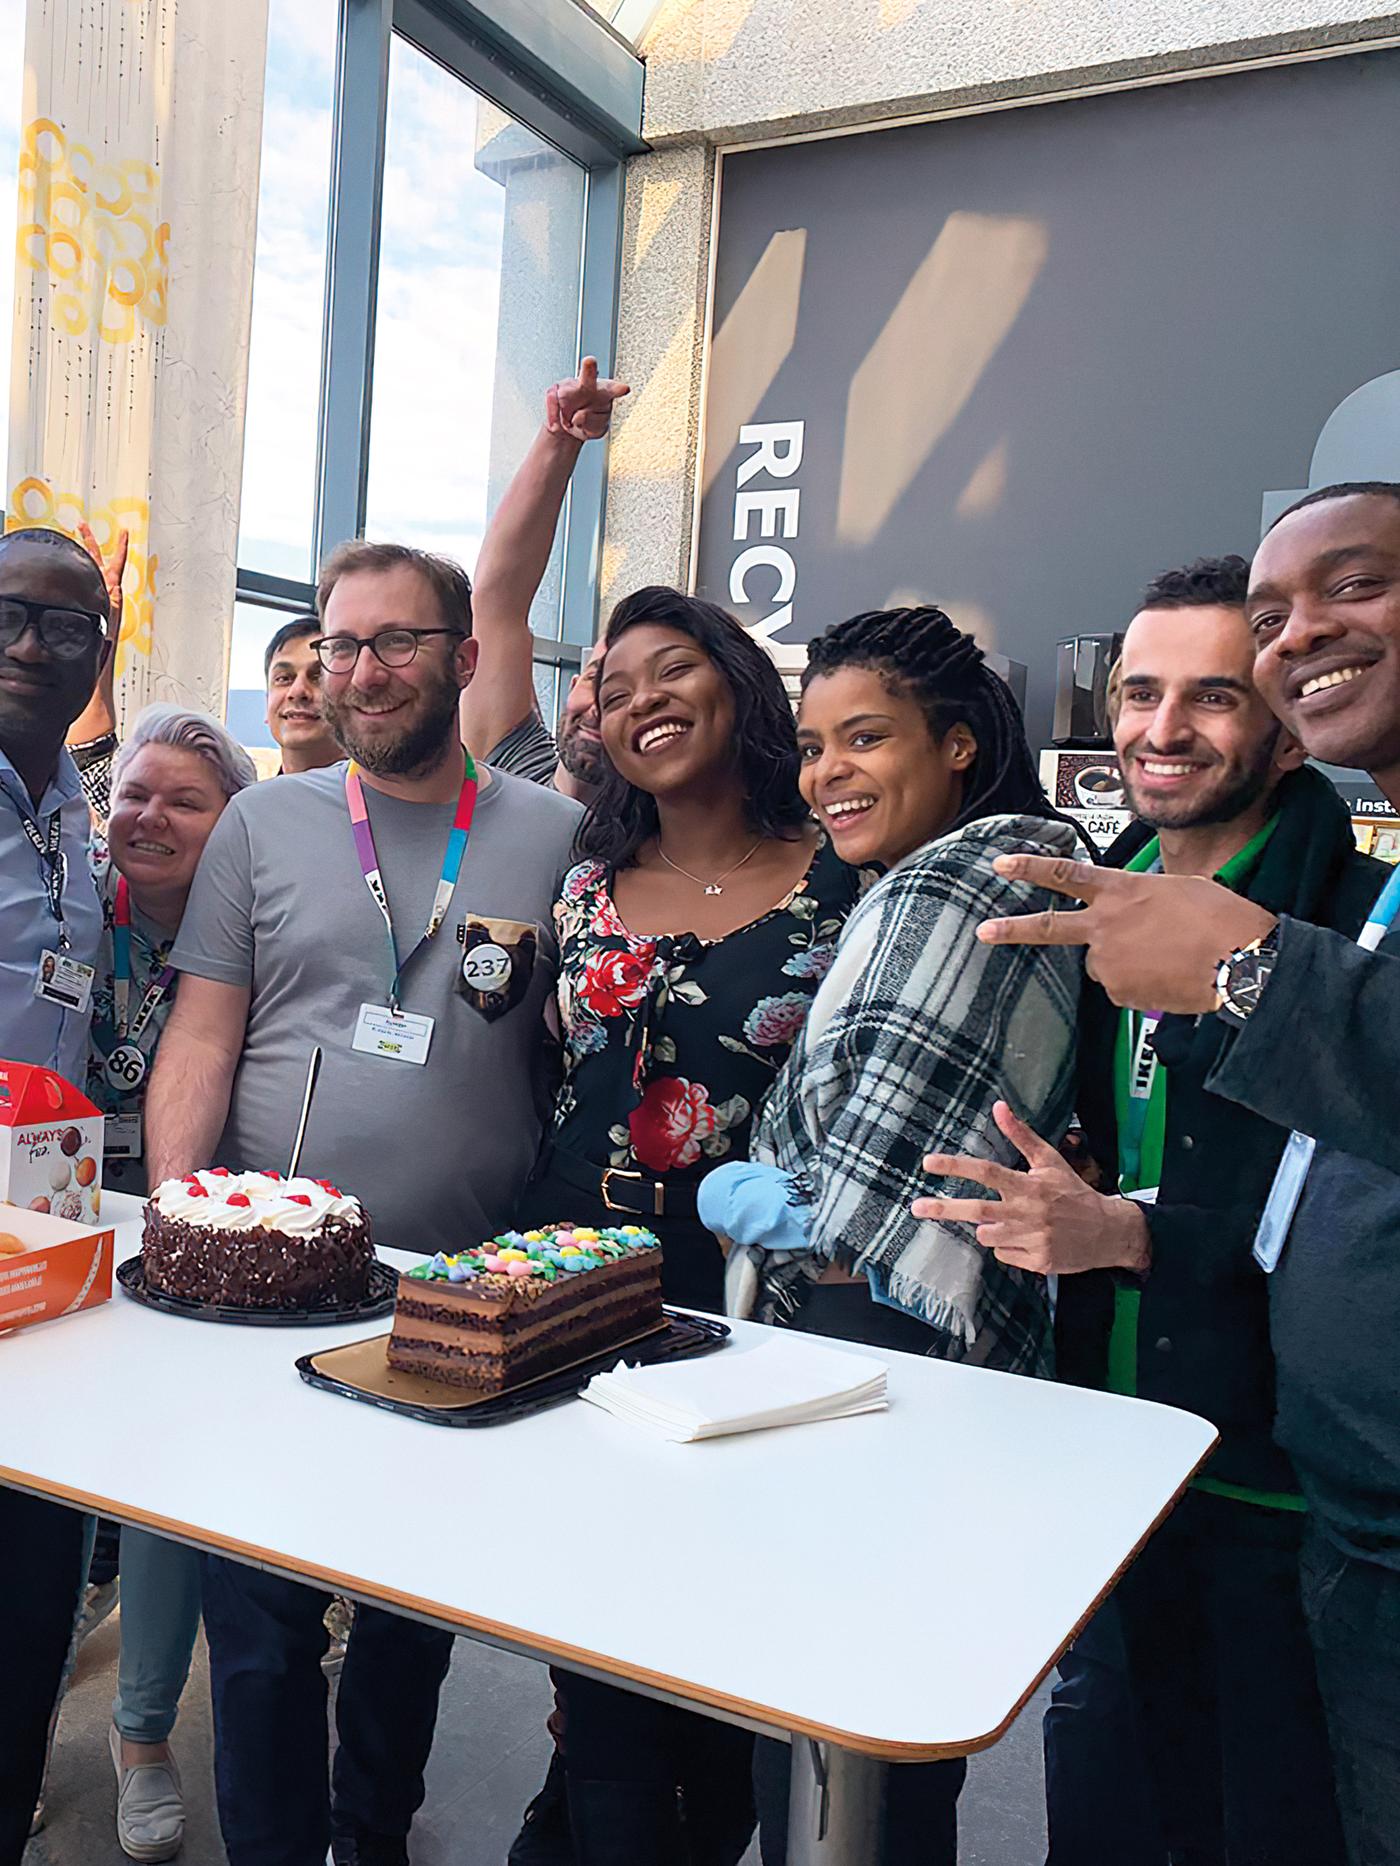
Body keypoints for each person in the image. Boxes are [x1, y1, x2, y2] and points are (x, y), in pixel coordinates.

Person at [974, 482, 1400, 1866]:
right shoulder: (1085, 888)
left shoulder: (1339, 910)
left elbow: (1327, 1205)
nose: (1163, 728)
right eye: (1142, 691)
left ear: (1282, 727)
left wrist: (1137, 1232)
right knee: (1100, 1777)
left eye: (1211, 694)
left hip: (1282, 1481)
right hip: (1107, 1437)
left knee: (1271, 1810)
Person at [145, 538, 582, 1866]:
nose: (366, 667)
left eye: (397, 640)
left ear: (462, 656)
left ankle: (371, 1831)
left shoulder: (558, 837)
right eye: (342, 643)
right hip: (268, 1285)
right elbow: (204, 1035)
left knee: (408, 1605)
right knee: (263, 1624)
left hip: (464, 1292)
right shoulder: (264, 825)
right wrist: (181, 1225)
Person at [696, 606, 1083, 1865]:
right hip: (865, 1335)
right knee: (842, 1712)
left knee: (848, 1714)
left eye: (864, 737)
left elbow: (876, 1197)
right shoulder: (913, 879)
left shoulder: (984, 872)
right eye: (812, 747)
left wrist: (771, 1198)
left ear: (959, 743)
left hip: (876, 1340)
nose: (828, 774)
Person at [517, 585, 863, 1866]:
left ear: (739, 682)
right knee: (592, 1593)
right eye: (611, 688)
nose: (638, 699)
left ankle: (687, 1823)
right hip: (570, 1265)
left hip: (748, 1286)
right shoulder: (584, 875)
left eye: (673, 669)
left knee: (728, 1592)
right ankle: (593, 1823)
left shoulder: (843, 875)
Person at [75, 706, 257, 1860]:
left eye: (185, 801)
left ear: (234, 825)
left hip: (187, 1235)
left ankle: (141, 1733)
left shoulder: (255, 933)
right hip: (53, 1227)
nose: (149, 816)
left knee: (157, 1493)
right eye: (136, 792)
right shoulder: (66, 907)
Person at [0, 526, 111, 1866]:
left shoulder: (75, 808)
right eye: (9, 616)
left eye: (67, 626)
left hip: (51, 1254)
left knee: (32, 1590)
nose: (35, 646)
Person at [458, 357, 626, 799]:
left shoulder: (667, 843)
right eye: (597, 679)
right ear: (573, 688)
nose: (604, 703)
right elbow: (497, 601)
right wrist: (560, 437)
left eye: (629, 690)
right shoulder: (516, 773)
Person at [264, 614, 342, 774]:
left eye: (319, 676)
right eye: (283, 678)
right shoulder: (250, 799)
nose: (297, 691)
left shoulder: (390, 797)